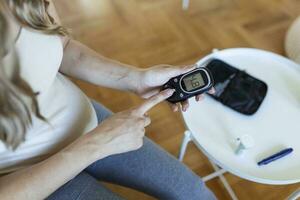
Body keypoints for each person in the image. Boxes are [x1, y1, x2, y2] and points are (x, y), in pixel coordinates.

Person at [0, 0, 216, 199]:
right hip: (28, 180)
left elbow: (63, 46)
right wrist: (96, 145)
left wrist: (135, 78)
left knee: (194, 192)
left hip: (84, 121)